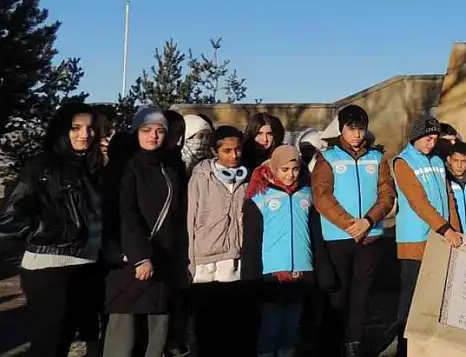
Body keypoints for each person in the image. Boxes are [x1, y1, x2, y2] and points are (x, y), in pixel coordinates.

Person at [0, 103, 105, 357]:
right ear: (60, 130)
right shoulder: (43, 166)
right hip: (49, 265)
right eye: (75, 128)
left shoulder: (90, 168)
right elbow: (11, 219)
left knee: (67, 340)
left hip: (85, 264)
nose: (85, 134)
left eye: (90, 128)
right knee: (50, 345)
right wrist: (48, 234)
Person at [102, 106, 188, 357]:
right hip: (131, 265)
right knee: (123, 339)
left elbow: (178, 217)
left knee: (157, 336)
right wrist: (139, 255)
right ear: (136, 132)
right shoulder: (125, 168)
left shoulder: (170, 168)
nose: (153, 136)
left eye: (160, 130)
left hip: (163, 264)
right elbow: (124, 213)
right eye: (147, 130)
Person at [310, 104, 395, 357]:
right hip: (338, 237)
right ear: (342, 129)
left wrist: (368, 221)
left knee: (362, 295)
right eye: (351, 128)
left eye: (361, 129)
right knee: (338, 296)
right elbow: (322, 197)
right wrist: (350, 224)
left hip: (370, 236)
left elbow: (387, 195)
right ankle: (333, 341)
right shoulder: (329, 158)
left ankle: (354, 343)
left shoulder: (377, 158)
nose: (357, 134)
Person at [393, 114, 464, 357]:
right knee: (411, 301)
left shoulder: (436, 160)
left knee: (435, 300)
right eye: (427, 138)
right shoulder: (403, 162)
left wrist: (456, 228)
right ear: (416, 137)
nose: (431, 143)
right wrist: (445, 228)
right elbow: (418, 202)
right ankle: (404, 348)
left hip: (441, 239)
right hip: (415, 240)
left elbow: (448, 198)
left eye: (434, 139)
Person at [243, 145, 315, 357]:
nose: (290, 175)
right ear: (274, 168)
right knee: (271, 326)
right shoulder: (260, 196)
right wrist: (250, 276)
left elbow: (314, 233)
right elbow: (252, 242)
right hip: (272, 273)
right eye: (284, 170)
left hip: (301, 271)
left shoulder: (307, 194)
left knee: (292, 327)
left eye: (294, 169)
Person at [186, 125, 251, 356]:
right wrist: (190, 261)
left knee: (231, 325)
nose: (234, 155)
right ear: (215, 151)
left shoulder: (247, 178)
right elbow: (190, 219)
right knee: (205, 327)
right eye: (227, 150)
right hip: (205, 262)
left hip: (235, 261)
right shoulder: (200, 178)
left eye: (238, 150)